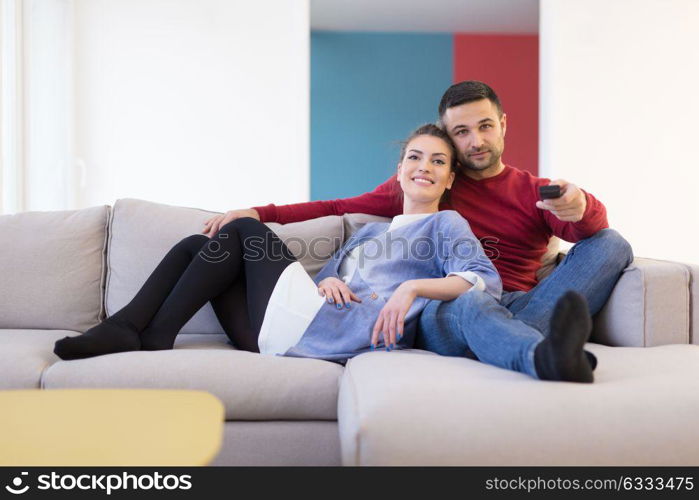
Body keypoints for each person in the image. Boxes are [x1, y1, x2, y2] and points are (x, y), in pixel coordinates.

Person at [204, 81, 633, 383]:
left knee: (612, 243)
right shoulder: (431, 183)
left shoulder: (533, 191)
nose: (476, 141)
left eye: (485, 126)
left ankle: (524, 336)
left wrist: (580, 205)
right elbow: (336, 206)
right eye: (461, 132)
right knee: (472, 302)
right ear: (449, 140)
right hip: (446, 308)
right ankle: (541, 352)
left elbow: (589, 230)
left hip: (521, 301)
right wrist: (259, 212)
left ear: (502, 123)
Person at [53, 124, 502, 364]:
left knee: (247, 231)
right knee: (196, 244)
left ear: (449, 177)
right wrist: (326, 283)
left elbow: (484, 281)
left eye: (438, 161)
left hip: (330, 333)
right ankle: (142, 329)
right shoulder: (370, 232)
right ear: (400, 169)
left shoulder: (446, 223)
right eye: (415, 157)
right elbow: (330, 281)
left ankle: (147, 331)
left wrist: (413, 288)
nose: (425, 167)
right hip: (286, 329)